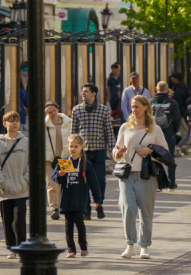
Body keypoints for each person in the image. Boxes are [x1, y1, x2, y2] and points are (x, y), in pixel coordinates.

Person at [115, 93, 169, 258]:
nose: (134, 110)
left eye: (137, 106)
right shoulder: (125, 127)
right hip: (127, 174)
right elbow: (115, 152)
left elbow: (165, 150)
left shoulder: (155, 129)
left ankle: (144, 246)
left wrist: (150, 150)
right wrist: (119, 152)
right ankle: (130, 244)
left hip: (147, 175)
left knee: (146, 211)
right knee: (128, 208)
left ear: (146, 107)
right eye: (132, 107)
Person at [71, 83, 115, 220]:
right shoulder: (76, 110)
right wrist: (72, 151)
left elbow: (109, 131)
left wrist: (113, 151)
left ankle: (99, 203)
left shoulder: (103, 110)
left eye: (86, 91)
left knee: (100, 180)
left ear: (93, 94)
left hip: (99, 152)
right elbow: (73, 133)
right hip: (83, 154)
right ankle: (86, 211)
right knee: (83, 182)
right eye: (82, 91)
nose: (83, 93)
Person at [0, 110, 30, 259]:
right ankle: (11, 247)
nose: (14, 123)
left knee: (19, 219)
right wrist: (2, 183)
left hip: (21, 189)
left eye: (17, 120)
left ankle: (22, 247)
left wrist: (25, 180)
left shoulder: (25, 142)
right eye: (11, 120)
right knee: (7, 220)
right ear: (4, 123)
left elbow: (30, 164)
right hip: (5, 190)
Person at [56, 134, 92, 257]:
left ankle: (83, 245)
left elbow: (94, 182)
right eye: (71, 146)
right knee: (68, 225)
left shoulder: (85, 163)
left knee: (79, 223)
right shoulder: (65, 161)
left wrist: (98, 199)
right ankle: (70, 249)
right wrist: (60, 174)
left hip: (79, 199)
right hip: (67, 199)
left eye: (76, 146)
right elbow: (56, 178)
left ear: (81, 147)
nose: (73, 149)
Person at [150, 81, 184, 189]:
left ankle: (157, 183)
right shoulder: (172, 102)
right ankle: (171, 182)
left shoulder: (150, 102)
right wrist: (173, 130)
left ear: (156, 89)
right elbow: (177, 119)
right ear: (167, 89)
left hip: (153, 132)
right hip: (168, 132)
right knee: (170, 157)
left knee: (154, 157)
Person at [43, 101, 72, 220]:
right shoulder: (44, 124)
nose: (52, 113)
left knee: (65, 182)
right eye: (49, 111)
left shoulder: (67, 122)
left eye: (54, 110)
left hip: (64, 156)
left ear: (58, 109)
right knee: (52, 183)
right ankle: (54, 208)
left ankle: (64, 206)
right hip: (49, 158)